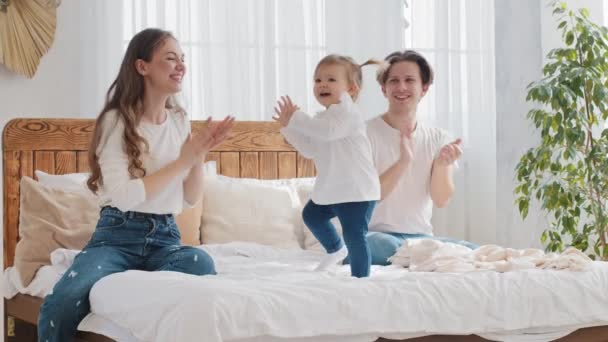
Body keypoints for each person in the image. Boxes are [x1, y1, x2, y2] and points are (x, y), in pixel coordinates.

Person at [37, 28, 235, 341]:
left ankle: (139, 286)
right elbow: (125, 197)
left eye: (182, 59)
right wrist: (183, 161)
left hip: (166, 237)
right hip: (117, 237)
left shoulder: (179, 119)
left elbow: (189, 198)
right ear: (142, 66)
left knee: (201, 263)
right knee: (63, 301)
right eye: (170, 59)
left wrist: (199, 154)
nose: (180, 66)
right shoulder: (115, 121)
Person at [364, 50, 478, 266]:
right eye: (394, 81)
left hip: (419, 238)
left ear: (424, 88)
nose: (401, 87)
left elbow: (441, 200)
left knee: (474, 251)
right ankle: (428, 257)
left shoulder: (439, 138)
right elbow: (370, 196)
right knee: (386, 246)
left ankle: (425, 255)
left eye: (409, 80)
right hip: (371, 236)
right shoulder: (363, 134)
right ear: (383, 89)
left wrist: (443, 164)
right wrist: (404, 161)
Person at [273, 54, 380, 278]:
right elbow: (310, 149)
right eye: (317, 80)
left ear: (351, 88)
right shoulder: (323, 118)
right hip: (335, 189)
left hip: (357, 191)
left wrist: (296, 117)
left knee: (355, 236)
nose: (322, 84)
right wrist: (287, 127)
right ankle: (335, 249)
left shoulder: (348, 114)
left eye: (331, 80)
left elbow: (327, 131)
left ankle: (361, 280)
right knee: (312, 215)